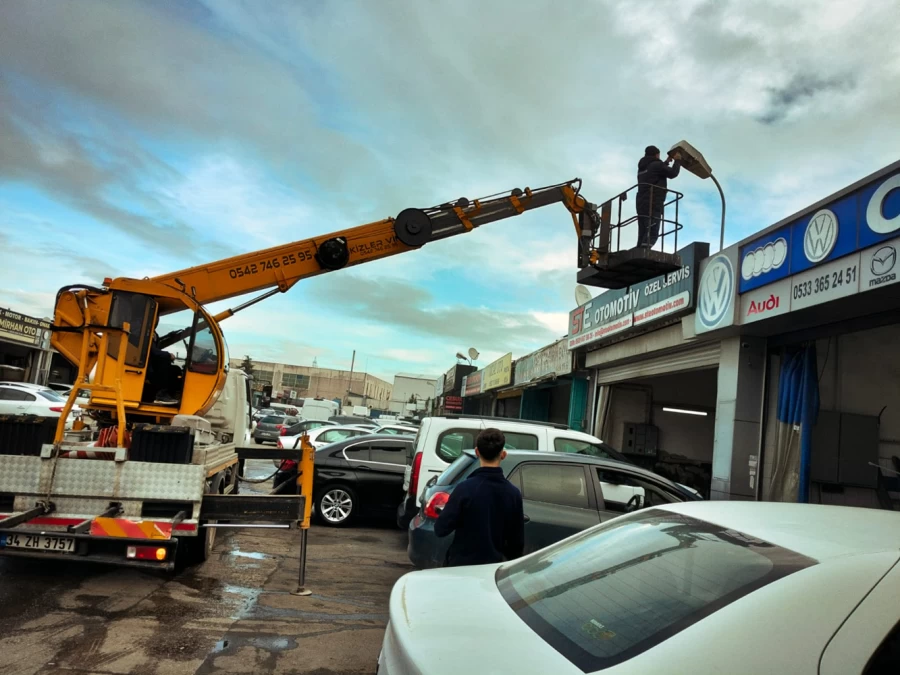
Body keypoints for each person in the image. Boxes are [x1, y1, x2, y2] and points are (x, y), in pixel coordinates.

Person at [434, 428, 525, 567]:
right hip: (492, 569)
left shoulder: (464, 489)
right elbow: (516, 545)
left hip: (460, 567)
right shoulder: (513, 494)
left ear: (477, 452)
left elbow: (441, 529)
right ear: (503, 454)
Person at [636, 145, 682, 248]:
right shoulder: (657, 165)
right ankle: (644, 252)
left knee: (643, 232)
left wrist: (666, 162)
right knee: (652, 232)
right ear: (656, 155)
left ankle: (639, 250)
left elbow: (655, 172)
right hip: (653, 202)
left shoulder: (643, 167)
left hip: (641, 203)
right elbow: (673, 173)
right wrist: (677, 160)